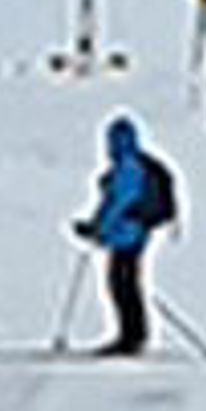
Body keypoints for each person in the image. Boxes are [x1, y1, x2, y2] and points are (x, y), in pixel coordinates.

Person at [72, 114, 156, 356]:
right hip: (129, 234)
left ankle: (131, 337)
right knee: (124, 283)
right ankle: (132, 335)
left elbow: (118, 205)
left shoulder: (127, 169)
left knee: (122, 285)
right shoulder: (127, 166)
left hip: (128, 235)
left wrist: (99, 229)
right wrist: (95, 227)